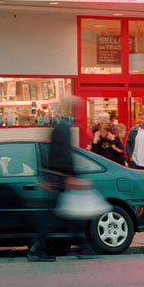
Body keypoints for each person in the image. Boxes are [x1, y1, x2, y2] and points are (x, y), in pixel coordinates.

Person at [27, 97, 98, 262]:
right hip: (62, 178)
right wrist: (71, 177)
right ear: (72, 109)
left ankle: (82, 246)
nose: (81, 113)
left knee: (67, 213)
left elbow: (53, 153)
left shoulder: (58, 125)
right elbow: (65, 155)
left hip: (58, 177)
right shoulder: (64, 128)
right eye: (79, 109)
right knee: (59, 216)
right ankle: (38, 248)